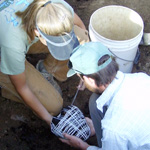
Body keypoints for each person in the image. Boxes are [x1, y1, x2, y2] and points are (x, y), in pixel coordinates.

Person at [0, 0, 89, 127]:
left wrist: (84, 67)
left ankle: (47, 69)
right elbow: (22, 87)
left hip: (23, 36)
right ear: (37, 32)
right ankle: (5, 84)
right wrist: (49, 120)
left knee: (81, 38)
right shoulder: (12, 43)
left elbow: (81, 30)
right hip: (4, 51)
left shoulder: (56, 8)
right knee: (53, 106)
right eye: (55, 44)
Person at [60, 42, 150, 150]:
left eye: (81, 77)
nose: (81, 80)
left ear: (90, 80)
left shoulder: (114, 130)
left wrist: (81, 145)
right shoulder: (141, 78)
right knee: (95, 100)